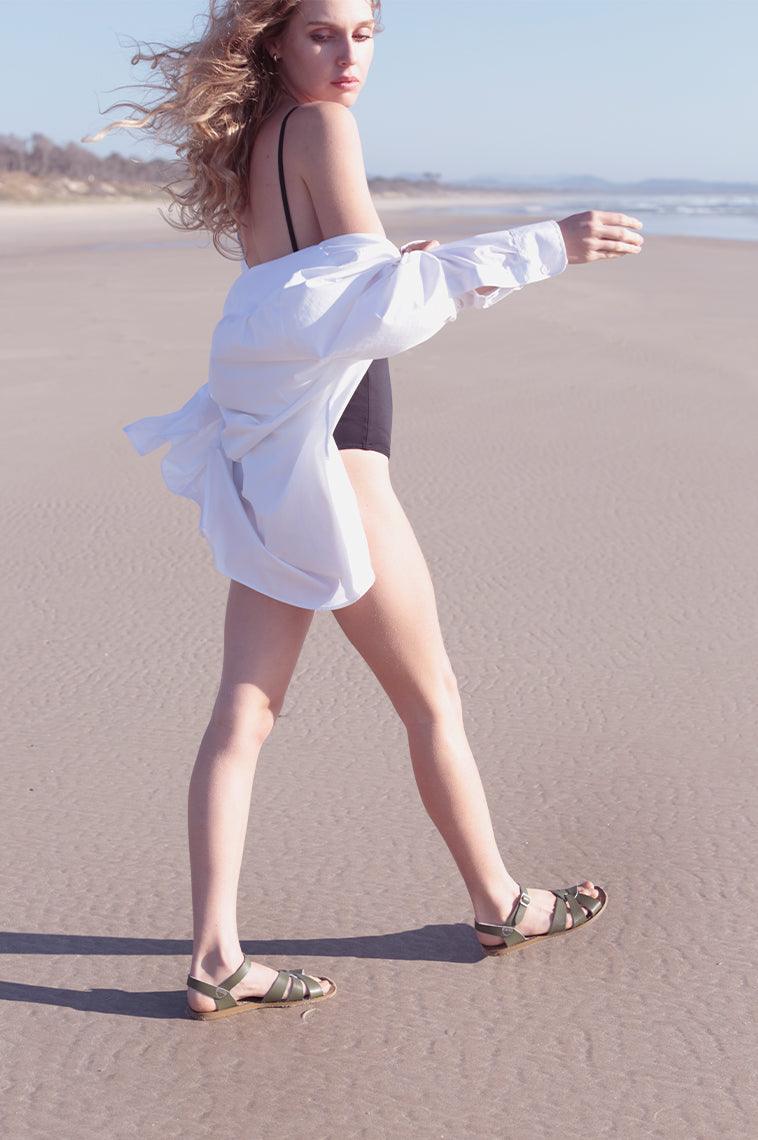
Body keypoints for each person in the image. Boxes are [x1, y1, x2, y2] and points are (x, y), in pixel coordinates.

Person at [89, 0, 644, 1020]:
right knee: (430, 702)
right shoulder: (324, 128)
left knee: (243, 716)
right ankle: (499, 904)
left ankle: (217, 954)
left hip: (272, 463)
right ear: (273, 38)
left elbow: (324, 294)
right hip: (341, 465)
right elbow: (377, 311)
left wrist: (405, 259)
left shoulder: (260, 141)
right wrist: (544, 244)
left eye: (366, 33)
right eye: (322, 33)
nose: (349, 58)